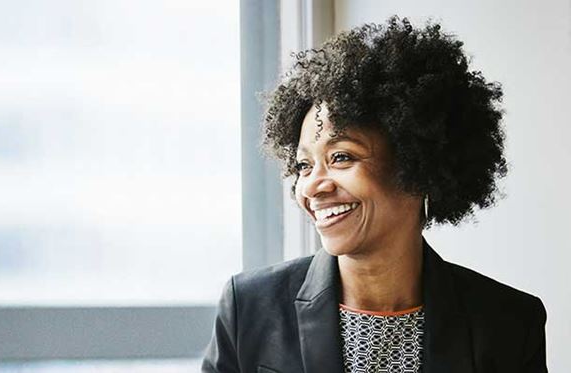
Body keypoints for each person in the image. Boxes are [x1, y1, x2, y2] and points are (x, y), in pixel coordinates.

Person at [201, 16, 547, 373]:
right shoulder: (249, 309)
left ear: (418, 165)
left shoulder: (508, 323)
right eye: (305, 165)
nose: (312, 186)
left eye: (341, 157)